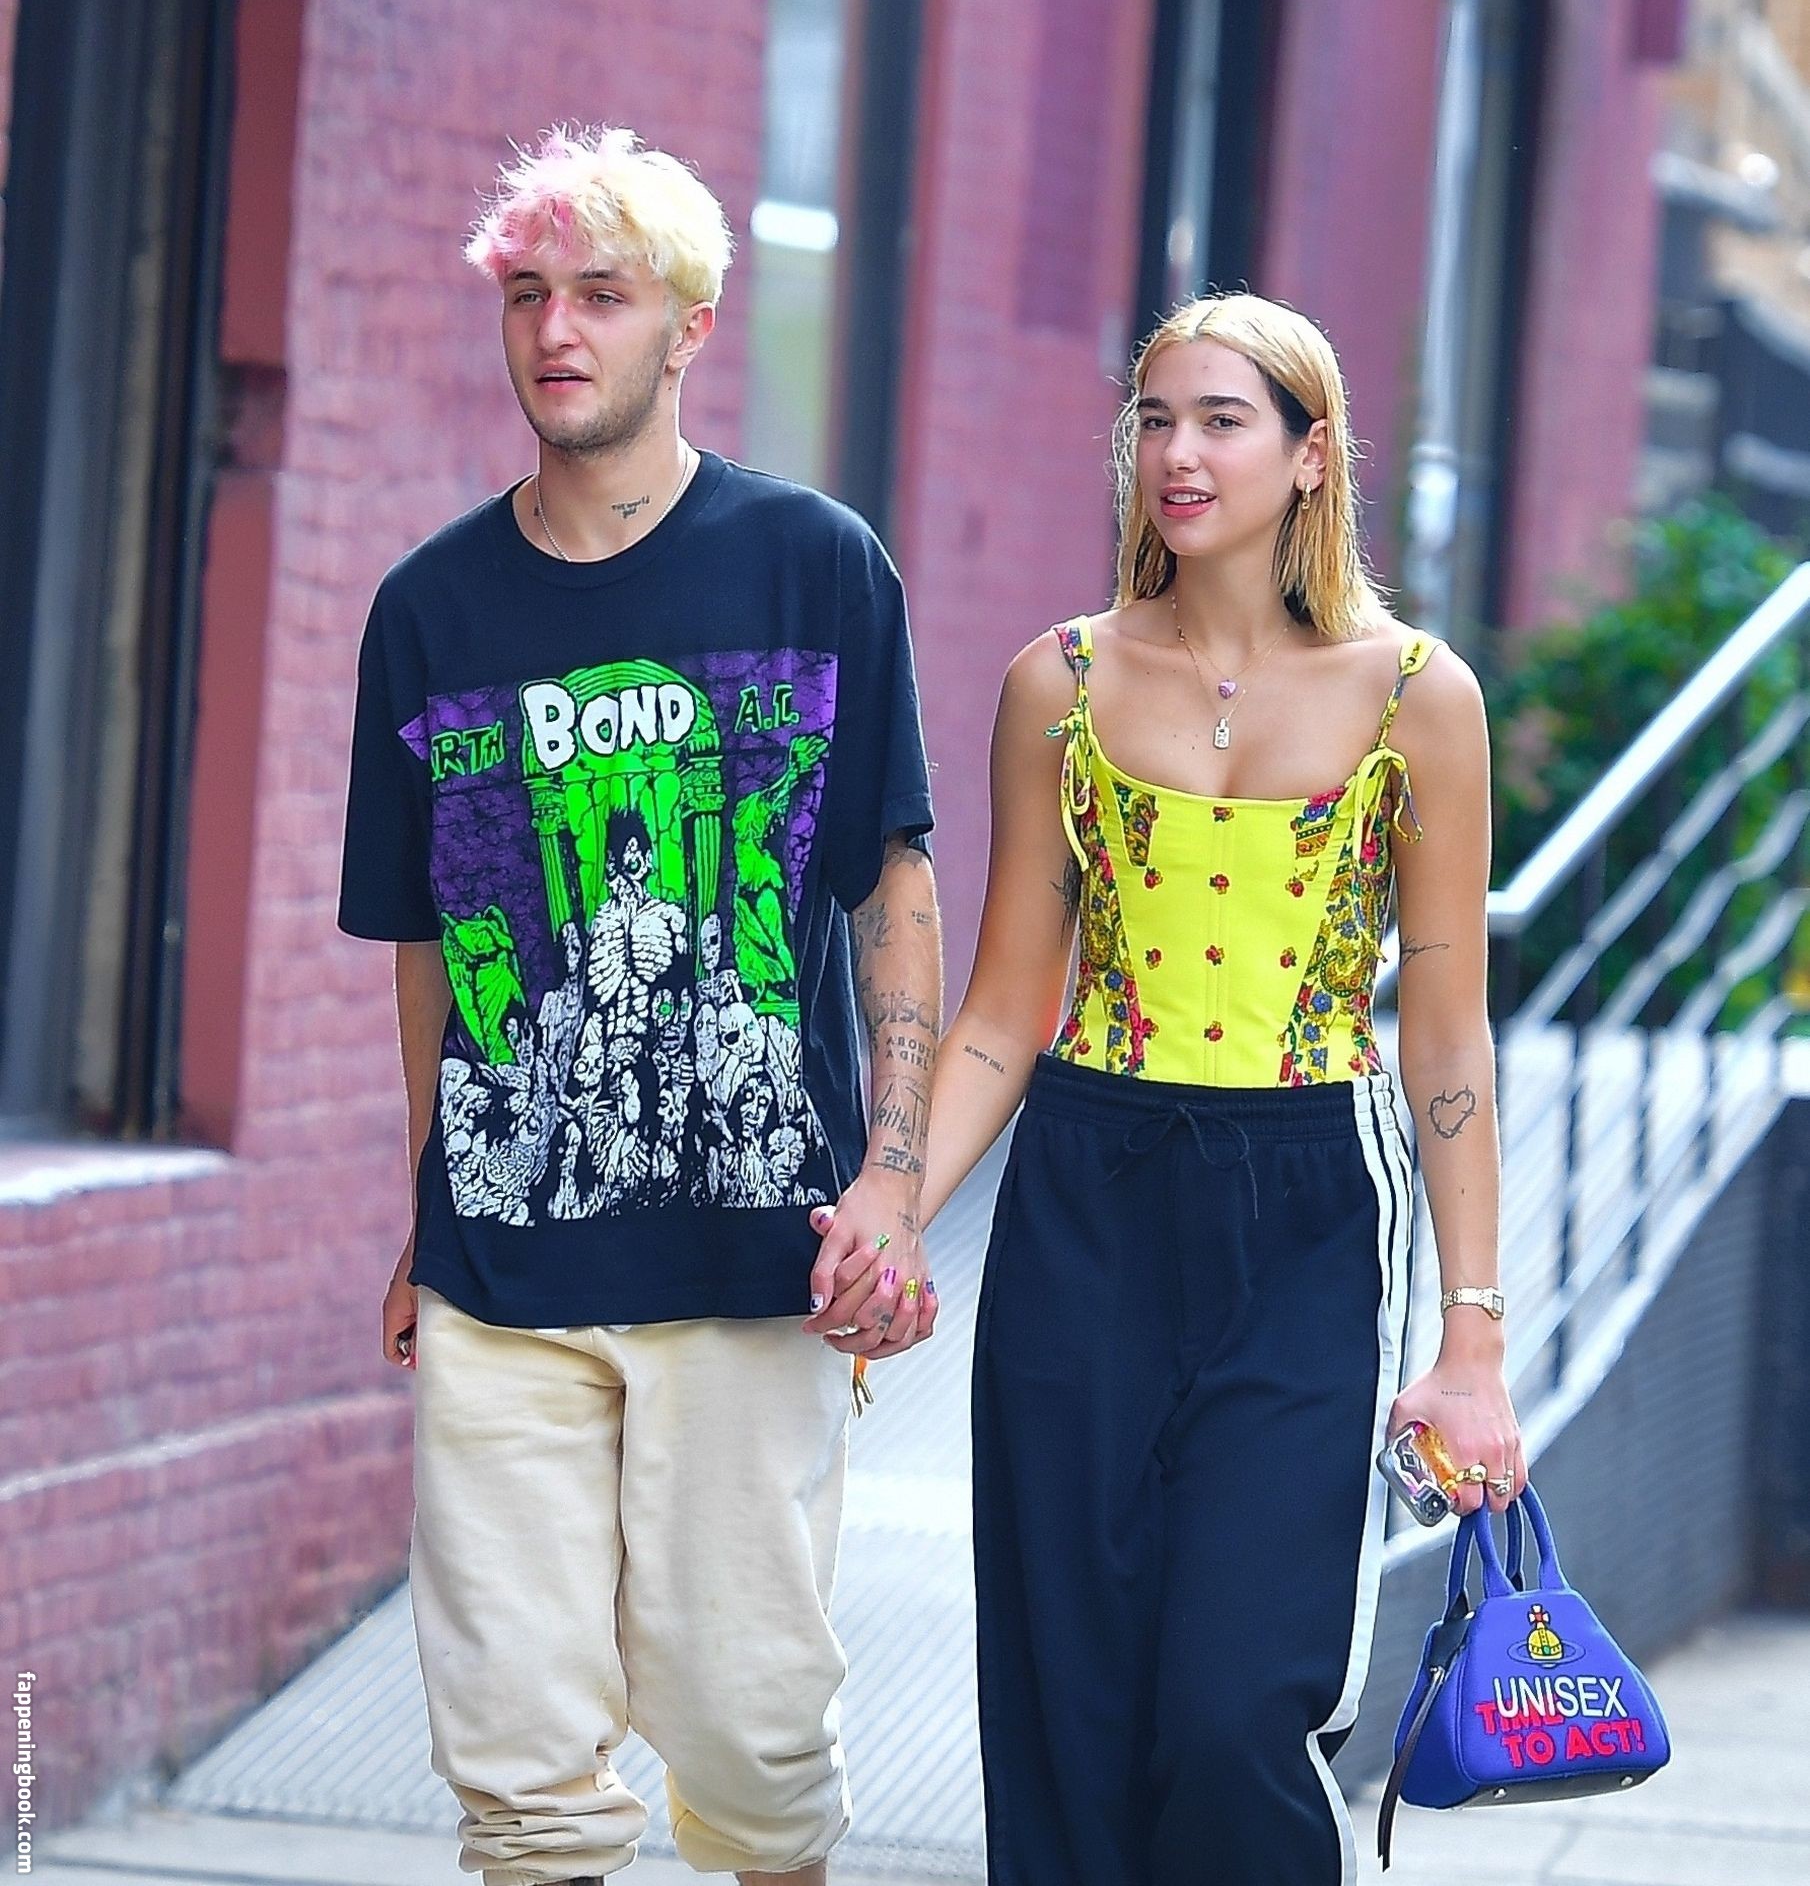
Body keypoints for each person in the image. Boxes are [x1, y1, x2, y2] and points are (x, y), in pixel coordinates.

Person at [336, 125, 941, 1886]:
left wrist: (893, 1182)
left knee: (752, 1740)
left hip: (751, 1254)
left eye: (602, 295)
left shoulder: (815, 567)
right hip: (503, 1268)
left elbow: (890, 891)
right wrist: (426, 1211)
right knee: (517, 1766)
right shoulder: (427, 609)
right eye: (528, 294)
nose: (556, 330)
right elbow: (429, 949)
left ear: (690, 325)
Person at [912, 292, 1521, 1885]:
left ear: (1312, 455)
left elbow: (1445, 1034)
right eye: (1154, 420)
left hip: (1307, 1200)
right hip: (1085, 1189)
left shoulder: (1418, 695)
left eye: (1221, 421)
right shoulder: (1055, 682)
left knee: (1235, 1703)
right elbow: (1002, 1011)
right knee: (1065, 1687)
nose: (1176, 454)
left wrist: (1470, 1337)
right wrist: (889, 1209)